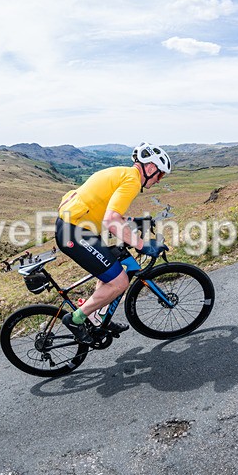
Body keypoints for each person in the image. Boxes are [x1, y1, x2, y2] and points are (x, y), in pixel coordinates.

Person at [55, 142, 171, 344]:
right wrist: (143, 245)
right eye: (160, 175)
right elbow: (110, 221)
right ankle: (75, 320)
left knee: (112, 267)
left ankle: (96, 318)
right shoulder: (132, 181)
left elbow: (110, 211)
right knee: (120, 282)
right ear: (151, 168)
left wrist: (135, 222)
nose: (159, 181)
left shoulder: (123, 173)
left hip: (75, 226)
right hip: (74, 232)